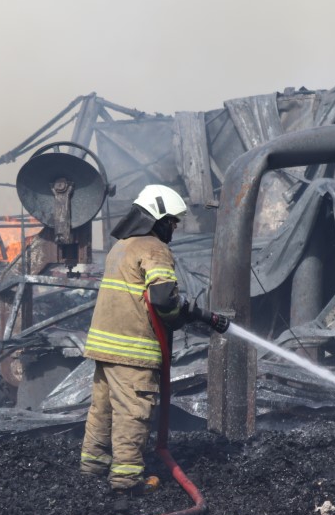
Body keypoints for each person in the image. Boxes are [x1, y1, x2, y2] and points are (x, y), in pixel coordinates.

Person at [80, 184, 230, 495]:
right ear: (159, 219)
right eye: (173, 221)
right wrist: (180, 316)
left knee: (102, 409)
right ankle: (126, 482)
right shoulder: (154, 249)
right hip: (132, 347)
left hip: (104, 345)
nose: (174, 228)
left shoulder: (121, 246)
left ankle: (92, 468)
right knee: (133, 411)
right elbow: (163, 299)